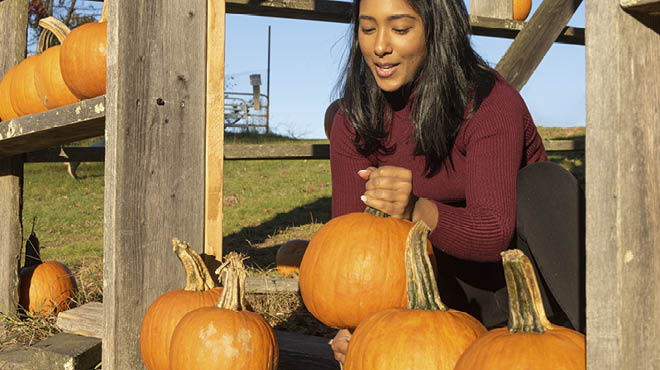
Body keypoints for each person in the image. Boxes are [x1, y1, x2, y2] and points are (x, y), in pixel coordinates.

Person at [324, 0, 585, 364]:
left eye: (400, 29)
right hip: (439, 302)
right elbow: (348, 248)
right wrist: (356, 328)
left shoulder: (489, 102)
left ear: (437, 29)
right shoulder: (352, 119)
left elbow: (494, 232)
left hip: (524, 283)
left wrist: (415, 208)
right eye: (368, 29)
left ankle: (601, 336)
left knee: (545, 182)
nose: (380, 46)